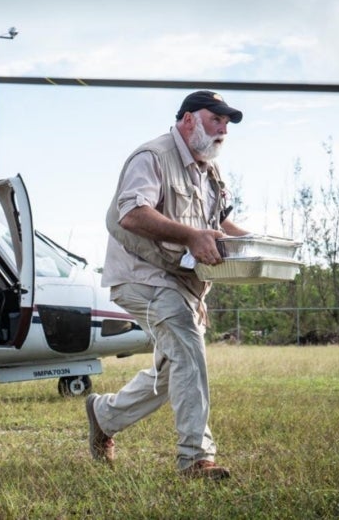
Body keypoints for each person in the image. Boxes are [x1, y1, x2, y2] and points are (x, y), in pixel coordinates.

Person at [86, 91, 249, 479]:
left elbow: (219, 224)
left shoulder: (209, 170)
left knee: (171, 369)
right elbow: (131, 214)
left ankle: (103, 414)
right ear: (189, 119)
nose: (224, 129)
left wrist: (261, 247)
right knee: (188, 350)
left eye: (227, 123)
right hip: (141, 276)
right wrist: (192, 236)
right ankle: (195, 457)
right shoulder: (152, 156)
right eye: (217, 119)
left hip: (183, 283)